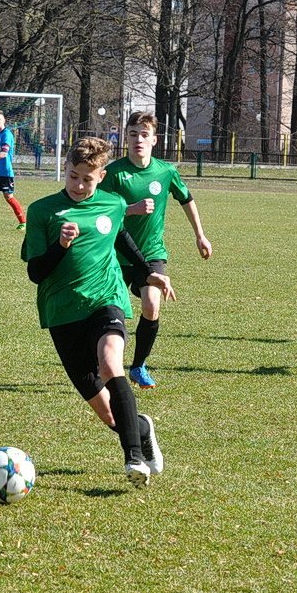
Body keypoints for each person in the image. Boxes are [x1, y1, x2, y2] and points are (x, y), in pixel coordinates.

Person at [22, 137, 175, 487]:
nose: (78, 185)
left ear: (101, 176)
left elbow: (122, 237)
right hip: (61, 312)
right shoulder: (42, 211)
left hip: (106, 299)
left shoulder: (113, 204)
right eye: (73, 176)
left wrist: (145, 271)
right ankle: (142, 428)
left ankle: (133, 458)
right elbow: (35, 273)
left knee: (110, 363)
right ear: (65, 170)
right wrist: (61, 247)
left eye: (87, 179)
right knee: (108, 413)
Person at [100, 111, 211, 388]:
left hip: (151, 253)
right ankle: (106, 361)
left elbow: (187, 199)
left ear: (154, 139)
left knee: (152, 304)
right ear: (126, 137)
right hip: (115, 253)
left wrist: (200, 235)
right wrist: (130, 209)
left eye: (144, 134)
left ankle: (138, 366)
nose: (138, 139)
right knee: (110, 310)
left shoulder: (165, 171)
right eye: (133, 134)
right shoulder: (114, 173)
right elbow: (100, 211)